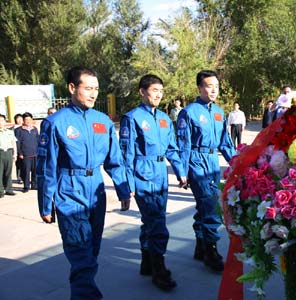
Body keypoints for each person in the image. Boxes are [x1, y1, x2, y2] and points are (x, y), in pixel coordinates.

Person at [36, 66, 131, 300]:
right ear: (72, 87)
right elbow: (47, 168)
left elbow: (114, 160)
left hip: (96, 193)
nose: (93, 94)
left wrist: (123, 190)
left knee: (90, 254)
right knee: (81, 256)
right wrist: (45, 203)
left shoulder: (103, 122)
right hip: (70, 194)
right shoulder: (55, 123)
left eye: (96, 89)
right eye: (87, 88)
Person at [119, 74, 187, 291]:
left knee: (150, 221)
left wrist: (180, 172)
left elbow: (172, 149)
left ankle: (147, 262)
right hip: (142, 174)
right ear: (142, 92)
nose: (158, 94)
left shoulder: (165, 119)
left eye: (161, 90)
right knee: (157, 221)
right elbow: (126, 155)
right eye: (154, 90)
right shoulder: (133, 118)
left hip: (160, 174)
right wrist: (127, 185)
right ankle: (159, 269)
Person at [177, 70, 235, 272]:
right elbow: (183, 144)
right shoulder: (189, 112)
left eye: (216, 87)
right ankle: (211, 251)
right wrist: (182, 171)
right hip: (196, 161)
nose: (214, 90)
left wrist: (236, 162)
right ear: (200, 88)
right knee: (210, 205)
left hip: (212, 161)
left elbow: (225, 143)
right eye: (209, 86)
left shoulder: (219, 112)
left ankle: (200, 246)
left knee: (204, 206)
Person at [15, 112, 38, 192]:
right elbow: (18, 142)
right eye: (26, 119)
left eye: (29, 119)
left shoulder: (34, 129)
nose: (28, 121)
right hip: (25, 155)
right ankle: (26, 186)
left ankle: (34, 185)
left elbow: (37, 140)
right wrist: (20, 153)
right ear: (23, 120)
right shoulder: (18, 130)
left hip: (35, 153)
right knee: (26, 171)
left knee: (35, 171)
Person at [0, 114, 17, 197]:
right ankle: (0, 191)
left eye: (2, 120)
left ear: (5, 122)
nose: (0, 122)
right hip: (0, 153)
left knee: (8, 172)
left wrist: (15, 154)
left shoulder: (10, 132)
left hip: (9, 152)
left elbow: (14, 143)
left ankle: (9, 189)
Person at [13, 113, 23, 184]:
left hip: (25, 148)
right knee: (19, 164)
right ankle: (19, 177)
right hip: (17, 148)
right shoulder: (14, 129)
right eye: (18, 119)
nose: (19, 120)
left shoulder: (25, 127)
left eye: (21, 119)